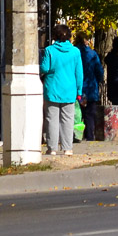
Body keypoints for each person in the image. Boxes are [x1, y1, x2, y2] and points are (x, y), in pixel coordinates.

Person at [40, 23, 83, 155]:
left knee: (51, 119)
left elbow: (44, 68)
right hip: (70, 90)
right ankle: (67, 148)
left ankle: (52, 148)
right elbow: (79, 73)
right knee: (68, 119)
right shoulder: (75, 52)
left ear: (55, 36)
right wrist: (79, 91)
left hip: (52, 89)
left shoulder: (49, 51)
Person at [74, 33, 103, 142]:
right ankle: (89, 137)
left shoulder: (74, 52)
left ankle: (76, 136)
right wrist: (98, 80)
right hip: (91, 88)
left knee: (76, 114)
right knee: (89, 115)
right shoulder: (92, 54)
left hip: (77, 88)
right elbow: (99, 71)